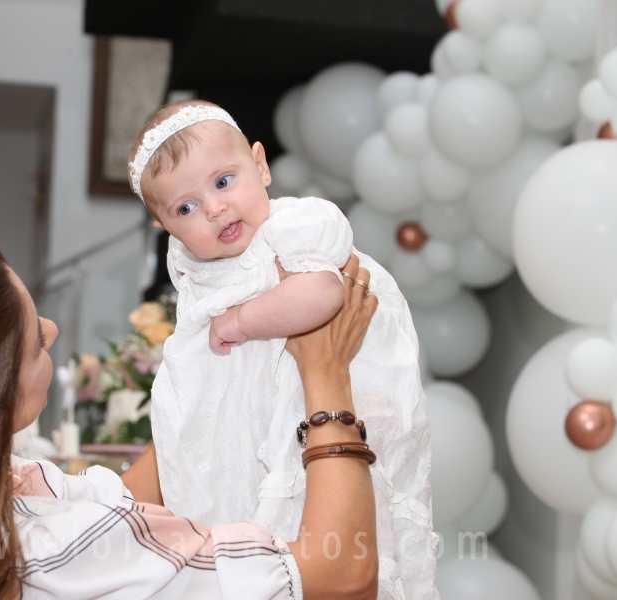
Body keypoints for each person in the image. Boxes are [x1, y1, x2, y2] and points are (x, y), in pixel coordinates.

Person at [0, 228, 379, 599]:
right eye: (35, 340)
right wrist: (327, 375)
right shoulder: (53, 551)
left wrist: (223, 377)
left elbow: (128, 501)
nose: (52, 332)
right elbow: (342, 575)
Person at [128, 101, 437, 599]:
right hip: (270, 431)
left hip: (333, 409)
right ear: (165, 227)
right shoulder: (198, 276)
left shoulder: (292, 227)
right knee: (265, 528)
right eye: (185, 208)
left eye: (223, 182)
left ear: (261, 165)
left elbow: (322, 294)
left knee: (329, 528)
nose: (213, 208)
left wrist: (241, 321)